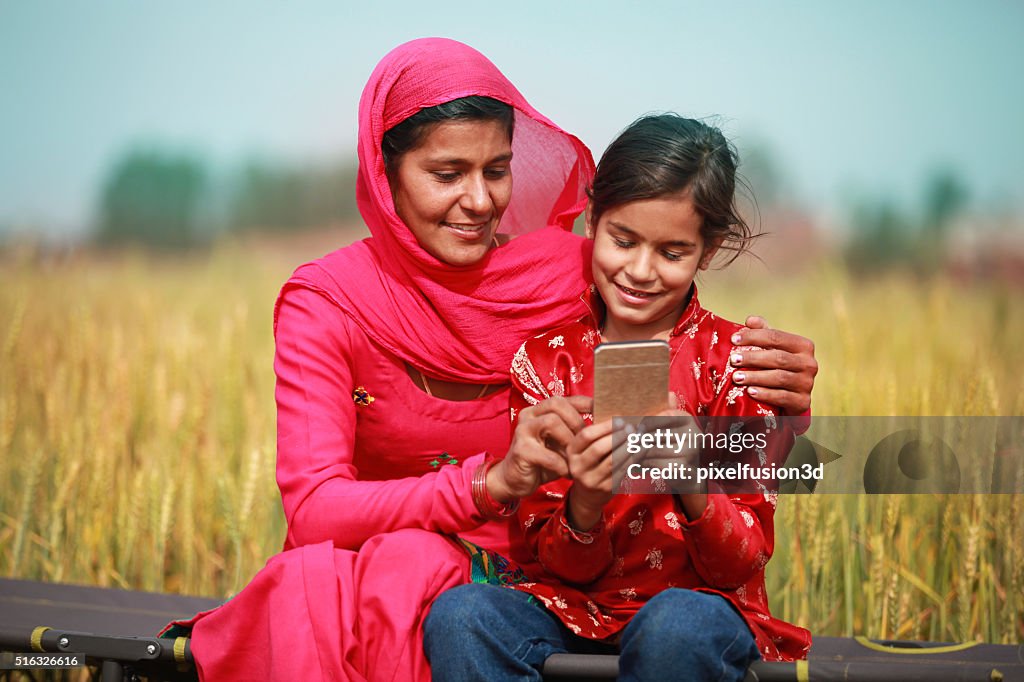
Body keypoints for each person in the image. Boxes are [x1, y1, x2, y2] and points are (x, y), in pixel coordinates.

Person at [166, 39, 818, 681]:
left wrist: (784, 398)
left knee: (659, 626)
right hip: (462, 586)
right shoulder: (328, 303)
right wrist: (493, 484)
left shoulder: (576, 273)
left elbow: (689, 361)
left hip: (559, 579)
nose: (479, 202)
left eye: (497, 170)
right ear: (383, 169)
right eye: (447, 174)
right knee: (405, 579)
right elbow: (315, 510)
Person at [424, 115, 812, 681]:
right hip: (572, 609)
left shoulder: (738, 364)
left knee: (676, 626)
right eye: (622, 240)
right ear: (591, 220)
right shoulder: (544, 362)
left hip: (700, 610)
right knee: (463, 616)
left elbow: (741, 563)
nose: (639, 270)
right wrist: (585, 498)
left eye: (672, 252)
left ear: (709, 250)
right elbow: (553, 562)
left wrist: (690, 476)